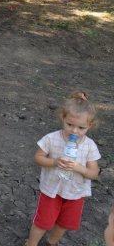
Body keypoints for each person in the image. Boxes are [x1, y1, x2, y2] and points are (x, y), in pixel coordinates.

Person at [25, 91, 100, 246]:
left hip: (75, 193)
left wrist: (80, 168)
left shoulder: (89, 146)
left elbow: (94, 173)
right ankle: (31, 243)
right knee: (43, 222)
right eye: (70, 125)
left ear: (89, 126)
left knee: (65, 222)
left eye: (81, 128)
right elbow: (38, 157)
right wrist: (54, 162)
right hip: (51, 190)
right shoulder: (52, 138)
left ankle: (52, 242)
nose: (74, 131)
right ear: (63, 118)